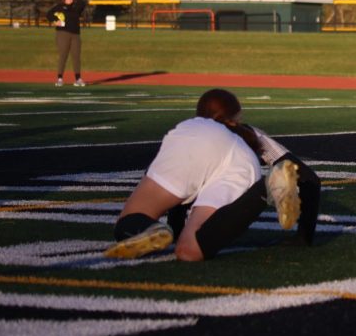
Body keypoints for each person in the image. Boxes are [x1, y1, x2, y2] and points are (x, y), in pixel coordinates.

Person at [104, 88, 321, 261]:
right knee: (191, 249)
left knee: (130, 223)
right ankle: (265, 188)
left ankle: (152, 228)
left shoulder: (192, 127)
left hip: (191, 143)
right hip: (241, 161)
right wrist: (303, 237)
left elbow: (171, 184)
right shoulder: (250, 133)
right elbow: (309, 178)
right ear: (236, 118)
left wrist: (175, 227)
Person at [46, 0, 89, 86]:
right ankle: (60, 78)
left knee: (76, 57)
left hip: (76, 35)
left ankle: (78, 79)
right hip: (63, 33)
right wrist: (55, 21)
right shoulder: (60, 7)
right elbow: (49, 14)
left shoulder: (76, 7)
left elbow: (83, 3)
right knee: (63, 55)